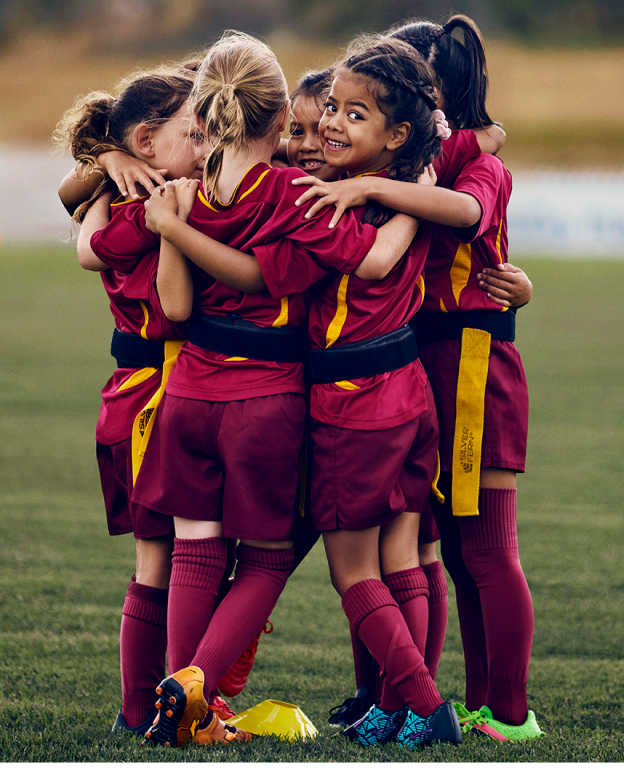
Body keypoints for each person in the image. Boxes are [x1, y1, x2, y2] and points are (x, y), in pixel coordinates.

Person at [149, 36, 502, 749]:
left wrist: (165, 221)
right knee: (400, 556)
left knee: (346, 570)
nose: (321, 137)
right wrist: (417, 190)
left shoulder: (291, 193)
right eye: (314, 120)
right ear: (278, 119)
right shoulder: (352, 190)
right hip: (398, 390)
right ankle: (393, 704)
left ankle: (417, 704)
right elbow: (440, 214)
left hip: (347, 400)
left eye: (341, 116)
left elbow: (355, 261)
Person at [295, 15, 542, 742]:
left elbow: (468, 211)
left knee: (484, 546)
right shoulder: (413, 161)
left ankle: (507, 712)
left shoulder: (469, 164)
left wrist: (379, 179)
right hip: (409, 363)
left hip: (468, 364)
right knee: (423, 545)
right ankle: (413, 696)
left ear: (430, 99)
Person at [52, 66, 209, 737]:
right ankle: (150, 706)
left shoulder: (126, 193)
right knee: (167, 561)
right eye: (195, 133)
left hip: (147, 395)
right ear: (147, 141)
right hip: (156, 397)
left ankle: (152, 706)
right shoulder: (155, 206)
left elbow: (81, 227)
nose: (209, 146)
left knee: (176, 560)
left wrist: (103, 160)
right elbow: (93, 248)